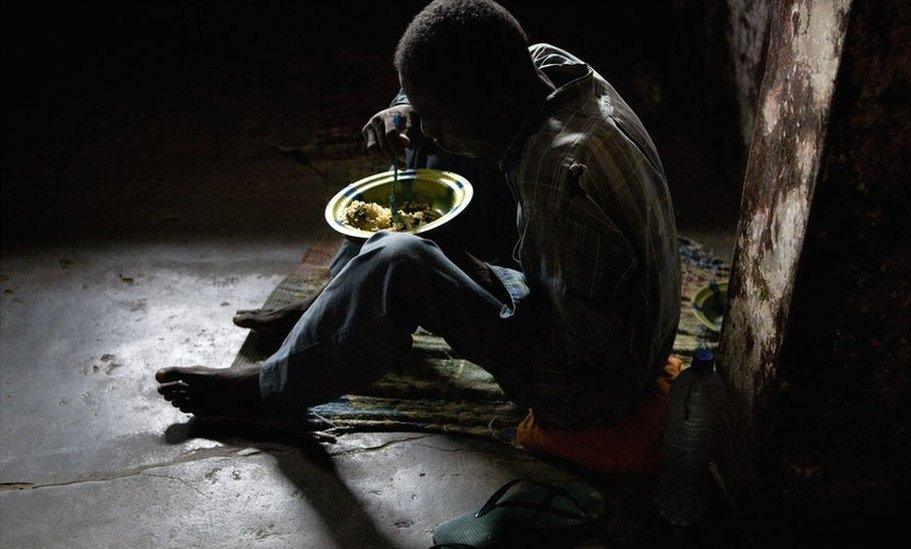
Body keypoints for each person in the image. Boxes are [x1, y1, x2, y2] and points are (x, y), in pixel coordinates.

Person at [156, 0, 680, 430]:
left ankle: (270, 387)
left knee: (398, 258)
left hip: (589, 386)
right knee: (435, 163)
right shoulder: (548, 70)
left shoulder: (560, 174)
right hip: (582, 306)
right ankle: (338, 299)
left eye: (434, 114)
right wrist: (405, 108)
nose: (423, 127)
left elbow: (581, 347)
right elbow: (455, 94)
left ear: (495, 106)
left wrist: (447, 276)